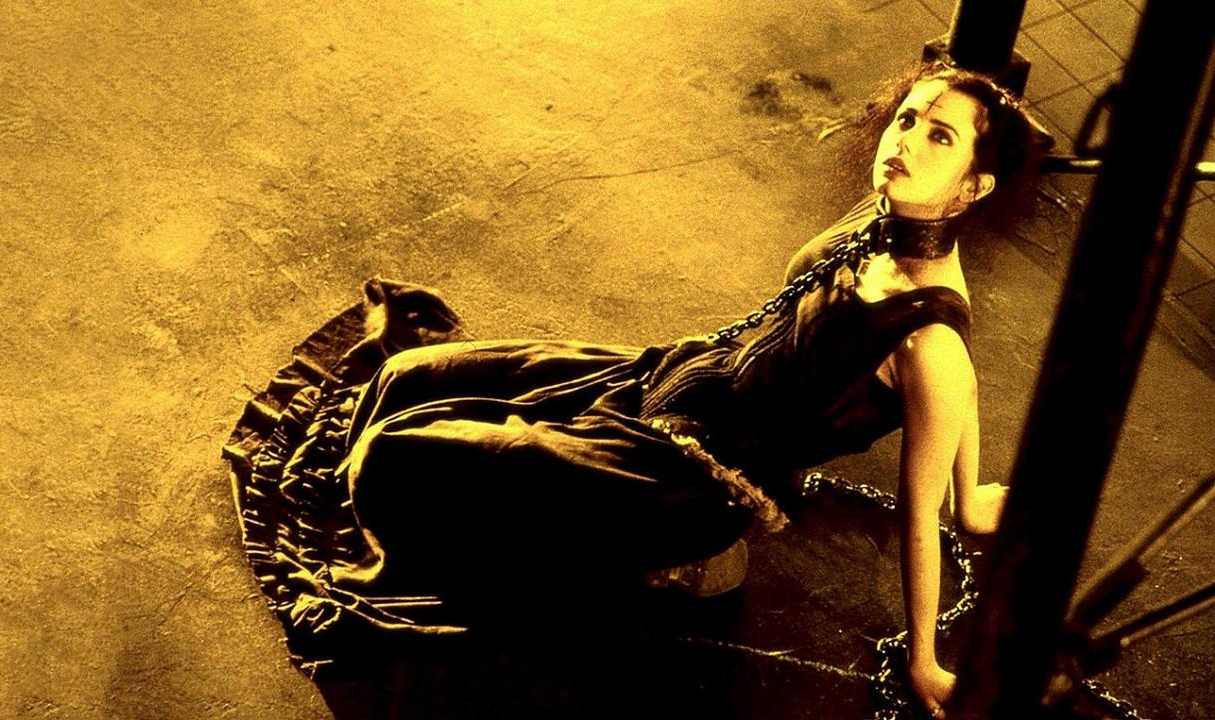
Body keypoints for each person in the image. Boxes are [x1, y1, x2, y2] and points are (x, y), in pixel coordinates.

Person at [224, 62, 1048, 717]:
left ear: (974, 186)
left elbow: (937, 444)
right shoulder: (878, 221)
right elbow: (960, 397)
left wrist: (925, 658)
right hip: (661, 375)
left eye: (940, 136)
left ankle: (675, 558)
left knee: (391, 460)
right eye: (908, 118)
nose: (905, 141)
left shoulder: (932, 339)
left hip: (685, 478)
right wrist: (973, 492)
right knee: (403, 376)